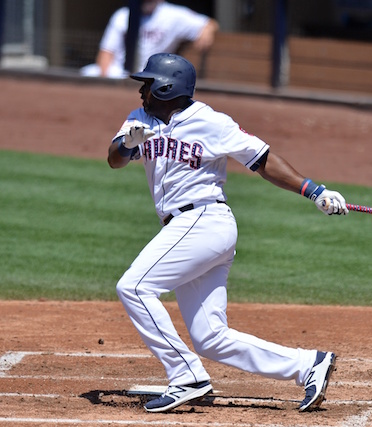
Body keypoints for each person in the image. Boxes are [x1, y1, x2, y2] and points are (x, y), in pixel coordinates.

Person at [107, 52, 347, 413]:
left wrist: (315, 191)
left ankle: (186, 376)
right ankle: (307, 365)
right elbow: (114, 159)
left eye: (147, 83)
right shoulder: (140, 118)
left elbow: (262, 158)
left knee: (135, 287)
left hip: (205, 222)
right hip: (187, 231)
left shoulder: (210, 122)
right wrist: (127, 143)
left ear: (165, 86)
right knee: (210, 338)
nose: (141, 91)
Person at [81, 0, 218, 78]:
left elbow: (209, 23)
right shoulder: (122, 15)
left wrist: (207, 30)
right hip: (119, 73)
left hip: (152, 74)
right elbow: (106, 53)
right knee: (88, 72)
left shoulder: (173, 14)